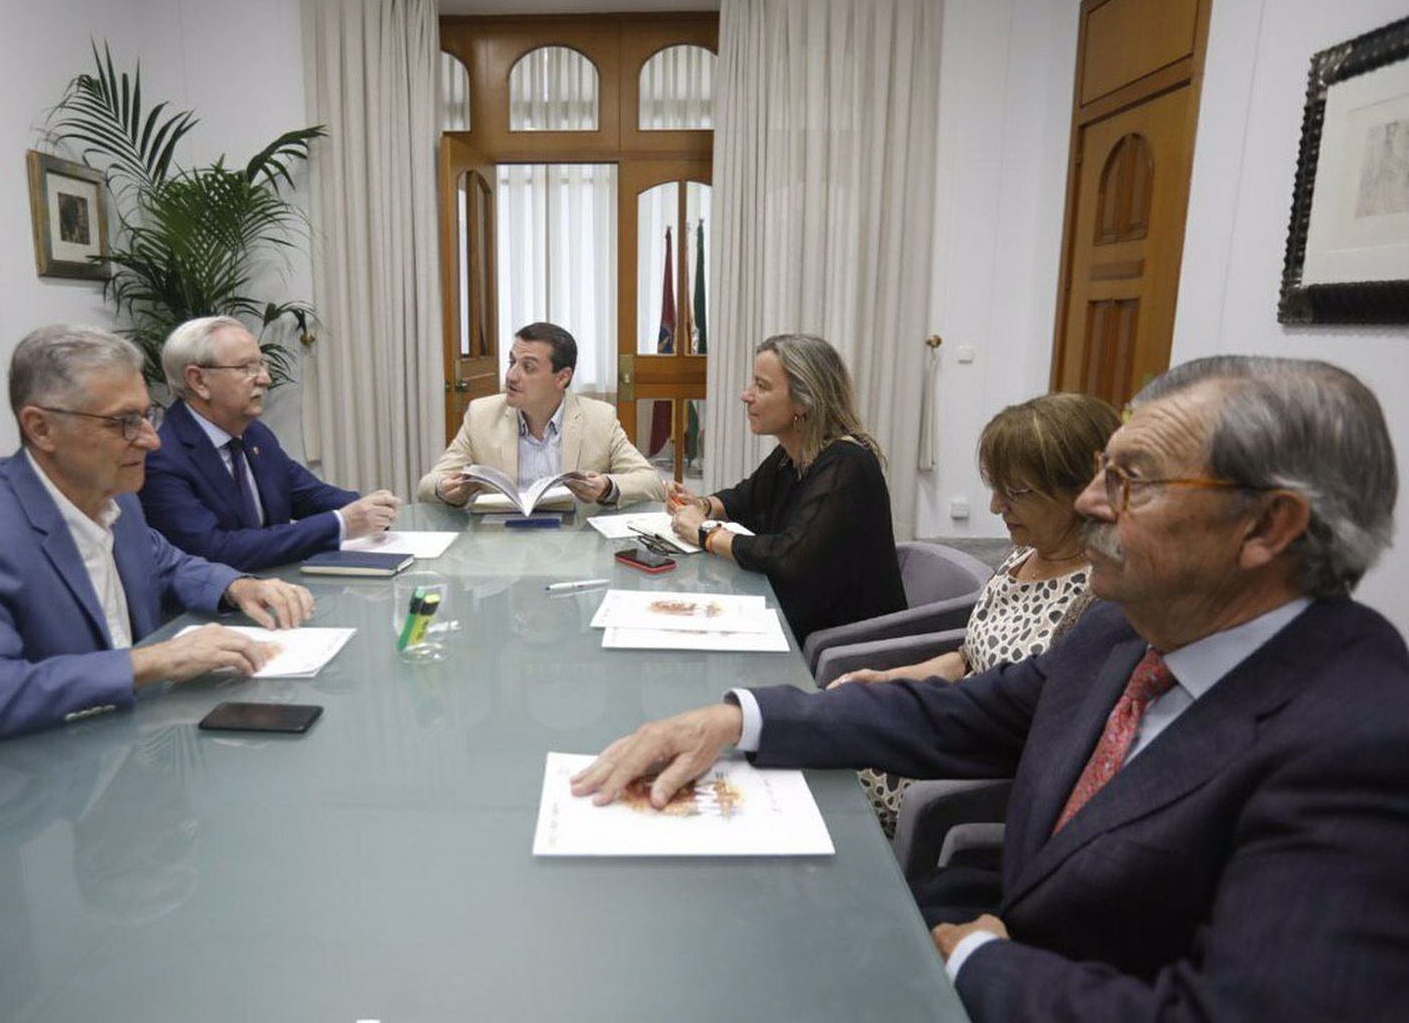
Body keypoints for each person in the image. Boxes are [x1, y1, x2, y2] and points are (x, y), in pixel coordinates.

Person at [572, 355, 1409, 1023]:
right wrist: (739, 717)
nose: (1087, 504)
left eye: (1132, 482)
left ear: (1270, 526)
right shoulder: (1126, 631)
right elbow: (956, 712)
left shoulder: (1360, 742)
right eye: (1099, 474)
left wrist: (982, 964)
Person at [0, 325, 316, 764]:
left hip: (115, 747)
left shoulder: (115, 496)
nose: (151, 440)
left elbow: (164, 561)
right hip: (2, 787)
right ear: (41, 428)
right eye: (123, 423)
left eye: (145, 416)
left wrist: (237, 587)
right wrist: (152, 662)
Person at [829, 393, 1120, 836]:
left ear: (1081, 491)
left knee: (829, 768)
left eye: (1015, 492)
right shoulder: (1023, 555)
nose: (995, 506)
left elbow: (1045, 736)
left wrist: (907, 716)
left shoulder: (1099, 598)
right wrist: (892, 679)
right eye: (996, 488)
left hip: (973, 760)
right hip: (948, 722)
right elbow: (969, 655)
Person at [665, 333, 904, 646]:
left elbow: (788, 557)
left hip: (843, 644)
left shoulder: (846, 466)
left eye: (762, 387)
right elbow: (745, 497)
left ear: (804, 401)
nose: (745, 395)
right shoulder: (794, 452)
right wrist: (701, 504)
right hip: (798, 618)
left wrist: (706, 533)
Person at [139, 316, 399, 571]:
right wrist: (341, 523)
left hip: (280, 589)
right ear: (198, 381)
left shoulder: (255, 434)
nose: (265, 379)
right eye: (246, 368)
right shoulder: (160, 453)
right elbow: (215, 550)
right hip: (208, 610)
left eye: (262, 365)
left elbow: (307, 494)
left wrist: (370, 507)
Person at [416, 322, 664, 508]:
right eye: (511, 362)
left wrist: (606, 487)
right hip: (500, 548)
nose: (512, 376)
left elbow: (651, 482)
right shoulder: (482, 415)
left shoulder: (599, 418)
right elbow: (428, 484)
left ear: (562, 377)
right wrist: (445, 489)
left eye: (528, 367)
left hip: (573, 547)